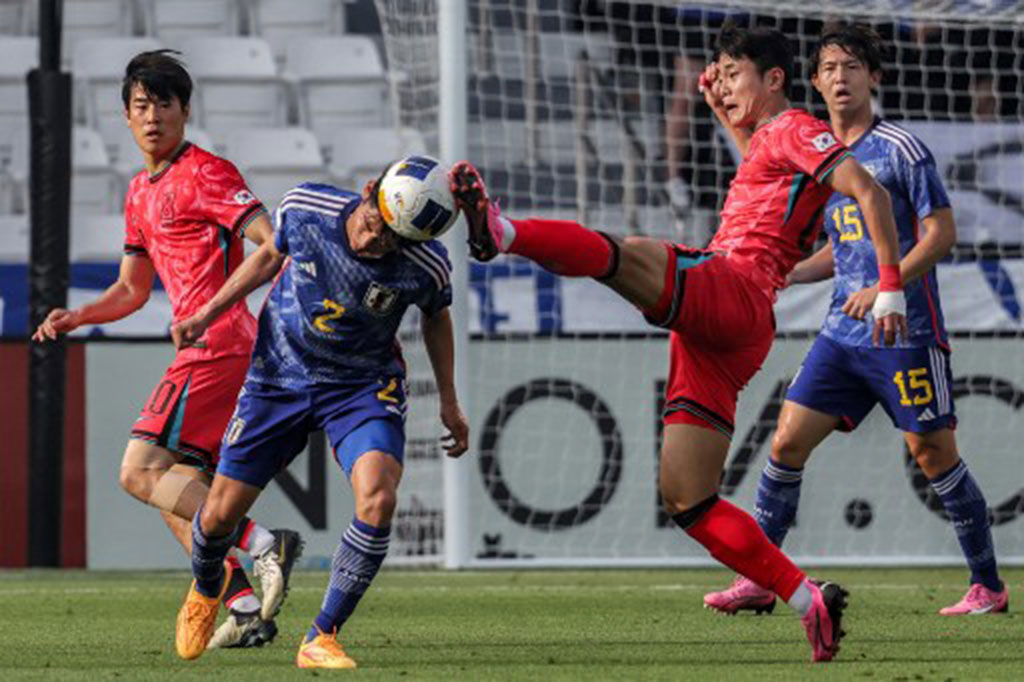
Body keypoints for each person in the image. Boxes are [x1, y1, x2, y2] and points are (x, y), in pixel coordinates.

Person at [452, 23, 910, 663]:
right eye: (721, 74)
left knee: (624, 255)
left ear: (774, 79)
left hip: (735, 290)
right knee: (688, 499)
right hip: (728, 332)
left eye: (735, 73)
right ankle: (808, 600)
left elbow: (869, 190)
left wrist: (890, 285)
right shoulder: (771, 139)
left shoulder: (795, 127)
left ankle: (503, 233)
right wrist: (725, 112)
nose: (726, 84)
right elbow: (772, 174)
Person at [704, 22, 1007, 617]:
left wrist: (887, 286)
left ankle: (987, 587)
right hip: (842, 334)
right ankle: (761, 579)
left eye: (851, 67)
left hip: (905, 332)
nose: (840, 78)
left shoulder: (900, 149)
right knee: (786, 441)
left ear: (874, 77)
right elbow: (830, 235)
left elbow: (942, 233)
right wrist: (794, 271)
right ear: (814, 83)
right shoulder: (817, 149)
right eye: (829, 69)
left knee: (933, 454)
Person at [32, 50, 301, 648]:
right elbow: (132, 289)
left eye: (164, 104)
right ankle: (244, 605)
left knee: (138, 471)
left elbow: (272, 243)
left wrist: (208, 311)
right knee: (172, 487)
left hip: (220, 345)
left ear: (185, 111)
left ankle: (264, 544)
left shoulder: (207, 172)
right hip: (209, 346)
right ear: (126, 117)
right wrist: (79, 315)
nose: (152, 116)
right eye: (141, 105)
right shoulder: (139, 192)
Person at [169, 159, 471, 667]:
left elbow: (436, 317)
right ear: (369, 190)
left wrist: (449, 400)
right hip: (277, 378)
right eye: (374, 224)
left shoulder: (426, 264)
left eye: (392, 240)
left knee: (379, 498)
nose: (374, 242)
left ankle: (321, 636)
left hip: (360, 386)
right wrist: (207, 313)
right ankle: (205, 587)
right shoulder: (306, 207)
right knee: (218, 514)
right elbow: (269, 255)